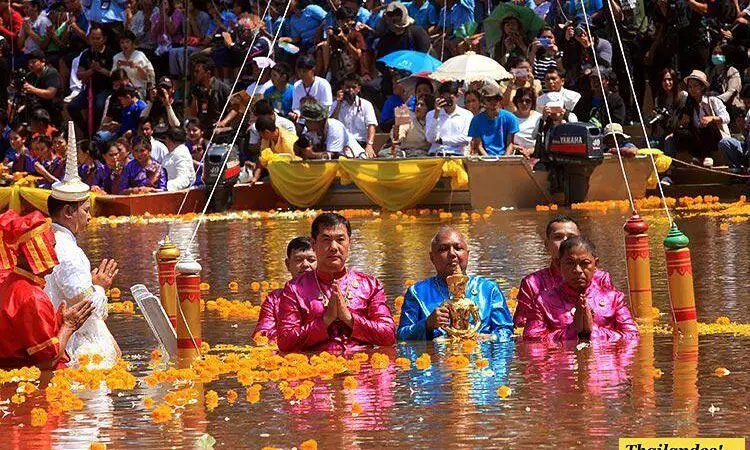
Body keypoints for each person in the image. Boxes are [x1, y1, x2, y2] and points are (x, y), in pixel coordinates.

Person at [45, 132, 121, 367]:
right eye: (85, 211)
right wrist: (99, 286)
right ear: (68, 212)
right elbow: (86, 307)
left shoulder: (51, 239)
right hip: (74, 348)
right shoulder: (67, 249)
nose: (89, 217)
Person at [277, 213, 396, 352]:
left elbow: (389, 336)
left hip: (363, 368)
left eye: (340, 239)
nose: (334, 247)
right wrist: (325, 320)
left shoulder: (369, 285)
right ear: (313, 244)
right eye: (326, 240)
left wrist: (350, 319)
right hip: (317, 368)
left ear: (349, 244)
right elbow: (285, 342)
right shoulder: (295, 289)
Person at [0, 210, 95, 369]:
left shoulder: (11, 281)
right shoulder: (32, 296)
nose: (55, 256)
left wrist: (58, 321)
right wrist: (68, 326)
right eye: (52, 247)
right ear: (34, 251)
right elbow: (47, 363)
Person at [397, 226, 513, 341]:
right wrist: (427, 325)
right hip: (438, 357)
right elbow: (402, 336)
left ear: (467, 254)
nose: (452, 254)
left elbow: (506, 331)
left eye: (458, 248)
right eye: (443, 249)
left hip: (479, 356)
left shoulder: (488, 289)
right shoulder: (417, 292)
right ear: (432, 258)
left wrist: (487, 338)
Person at [523, 236, 639, 343]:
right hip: (561, 364)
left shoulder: (613, 298)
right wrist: (573, 331)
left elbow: (632, 335)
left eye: (585, 263)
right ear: (559, 264)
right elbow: (531, 340)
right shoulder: (542, 301)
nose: (577, 270)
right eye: (570, 263)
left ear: (595, 264)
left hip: (604, 363)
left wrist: (592, 331)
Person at [513, 215, 613, 328]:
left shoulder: (600, 278)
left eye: (572, 237)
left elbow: (614, 319)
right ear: (547, 245)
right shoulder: (532, 283)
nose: (565, 242)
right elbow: (520, 327)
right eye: (558, 237)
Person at [663, 70, 738, 169]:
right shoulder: (689, 105)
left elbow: (726, 118)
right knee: (679, 133)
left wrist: (712, 118)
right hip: (698, 139)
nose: (692, 89)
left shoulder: (713, 100)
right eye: (690, 87)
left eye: (695, 86)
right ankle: (690, 159)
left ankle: (708, 155)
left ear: (702, 87)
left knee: (707, 125)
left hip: (715, 138)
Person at [253, 237, 317, 342]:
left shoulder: (329, 293)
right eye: (298, 260)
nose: (305, 264)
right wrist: (289, 338)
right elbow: (262, 334)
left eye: (311, 260)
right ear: (288, 264)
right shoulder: (274, 299)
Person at [330, 74, 378, 157]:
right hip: (341, 146)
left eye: (353, 87)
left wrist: (369, 145)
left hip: (360, 144)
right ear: (342, 88)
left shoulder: (366, 104)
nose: (350, 90)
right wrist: (338, 104)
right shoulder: (335, 104)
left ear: (358, 89)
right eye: (347, 87)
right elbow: (331, 124)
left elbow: (371, 125)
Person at [299, 101, 366, 159]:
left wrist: (312, 154)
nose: (306, 124)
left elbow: (331, 156)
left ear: (320, 121)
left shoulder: (335, 127)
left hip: (356, 161)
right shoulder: (310, 130)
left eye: (309, 121)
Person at [469, 83, 519, 156]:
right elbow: (479, 146)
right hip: (484, 158)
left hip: (505, 158)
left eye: (496, 98)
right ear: (483, 101)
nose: (493, 102)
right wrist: (489, 160)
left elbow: (510, 144)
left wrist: (504, 160)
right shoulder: (476, 120)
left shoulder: (510, 118)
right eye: (489, 99)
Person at [425, 82, 473, 156]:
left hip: (457, 155)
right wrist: (436, 114)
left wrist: (442, 141)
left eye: (450, 98)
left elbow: (466, 139)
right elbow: (430, 139)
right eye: (444, 98)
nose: (447, 102)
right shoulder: (431, 114)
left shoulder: (467, 115)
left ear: (457, 96)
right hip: (436, 154)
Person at [112, 29, 156, 98]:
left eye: (127, 42)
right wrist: (118, 67)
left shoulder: (140, 55)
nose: (125, 45)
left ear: (132, 43)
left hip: (139, 90)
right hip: (122, 91)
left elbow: (148, 77)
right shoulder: (116, 57)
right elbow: (113, 78)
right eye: (122, 42)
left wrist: (138, 67)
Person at [23, 51, 63, 125]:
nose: (30, 65)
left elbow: (50, 94)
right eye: (29, 63)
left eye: (33, 62)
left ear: (43, 62)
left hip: (50, 108)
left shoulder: (51, 73)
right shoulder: (30, 75)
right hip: (36, 106)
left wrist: (33, 89)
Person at [290, 55, 333, 122]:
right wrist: (296, 114)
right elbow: (296, 107)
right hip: (302, 120)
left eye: (304, 71)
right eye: (299, 71)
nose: (301, 74)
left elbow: (327, 108)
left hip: (319, 120)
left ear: (313, 70)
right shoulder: (297, 85)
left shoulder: (323, 84)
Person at [512, 87, 543, 158]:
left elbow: (543, 141)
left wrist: (530, 151)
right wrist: (517, 148)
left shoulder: (539, 118)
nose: (524, 103)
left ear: (533, 102)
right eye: (521, 100)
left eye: (528, 101)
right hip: (514, 153)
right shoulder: (509, 118)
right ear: (516, 101)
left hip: (534, 155)